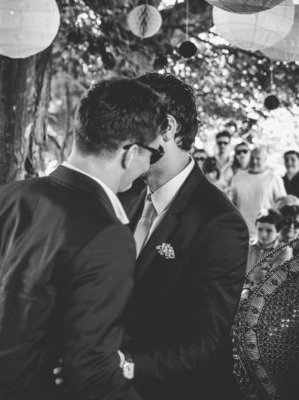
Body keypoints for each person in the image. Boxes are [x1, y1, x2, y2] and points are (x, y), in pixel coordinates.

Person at [0, 78, 167, 400]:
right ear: (130, 153)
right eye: (154, 153)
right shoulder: (108, 235)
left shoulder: (8, 197)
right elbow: (90, 374)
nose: (149, 164)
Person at [117, 73, 249, 400]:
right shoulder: (127, 195)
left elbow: (205, 344)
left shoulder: (219, 223)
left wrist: (125, 365)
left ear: (168, 128)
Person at [230, 147, 286, 238]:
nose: (254, 161)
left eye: (258, 159)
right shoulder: (238, 178)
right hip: (242, 231)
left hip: (267, 232)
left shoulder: (273, 178)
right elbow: (231, 203)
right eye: (252, 158)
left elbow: (282, 205)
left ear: (265, 159)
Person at [245, 209, 291, 281]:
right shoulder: (248, 246)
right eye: (260, 229)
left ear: (278, 231)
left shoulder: (283, 250)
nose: (263, 235)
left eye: (269, 231)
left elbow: (276, 280)